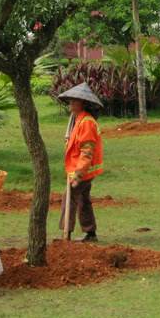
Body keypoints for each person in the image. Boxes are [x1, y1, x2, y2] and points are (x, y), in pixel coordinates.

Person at [57, 82, 104, 242]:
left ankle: (66, 233)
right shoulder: (78, 120)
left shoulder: (87, 122)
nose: (70, 103)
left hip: (83, 170)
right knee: (83, 199)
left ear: (82, 103)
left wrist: (78, 174)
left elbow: (87, 151)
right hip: (82, 169)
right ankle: (90, 232)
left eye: (73, 101)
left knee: (69, 198)